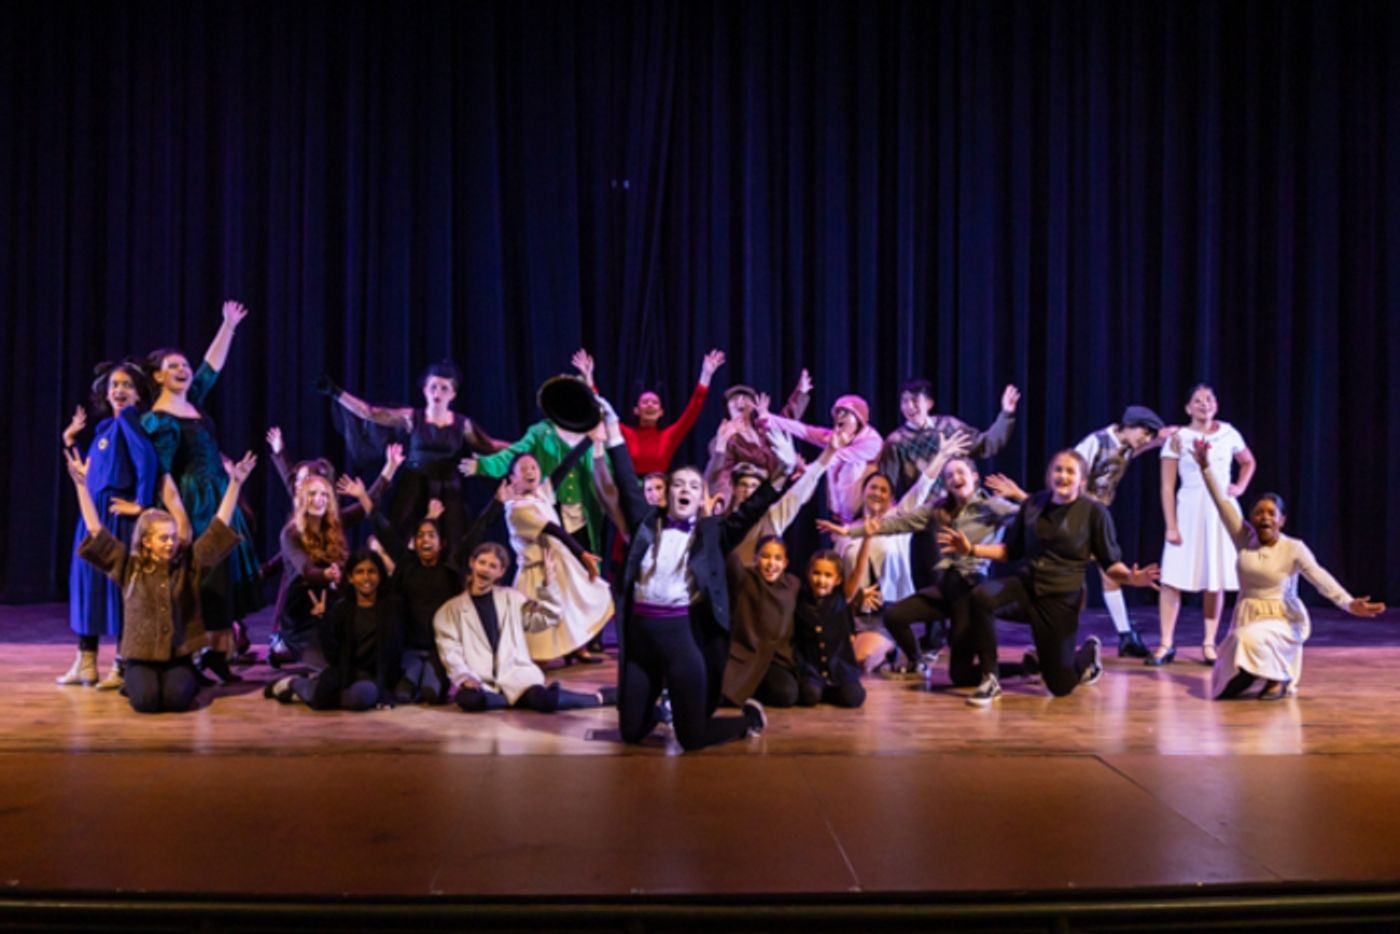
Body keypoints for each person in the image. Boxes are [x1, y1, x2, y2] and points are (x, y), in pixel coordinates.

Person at [604, 396, 791, 751]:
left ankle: (746, 720)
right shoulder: (646, 523)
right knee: (631, 732)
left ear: (702, 496)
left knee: (691, 739)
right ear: (666, 494)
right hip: (641, 640)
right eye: (678, 484)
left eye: (693, 486)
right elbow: (627, 480)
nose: (685, 490)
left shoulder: (712, 533)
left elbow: (751, 509)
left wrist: (782, 473)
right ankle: (662, 709)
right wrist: (612, 427)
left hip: (680, 639)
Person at [939, 451, 1160, 706]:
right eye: (1058, 470)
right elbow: (1011, 551)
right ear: (1049, 475)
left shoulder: (1093, 513)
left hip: (1060, 599)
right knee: (981, 596)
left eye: (1070, 471)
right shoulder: (1033, 504)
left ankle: (1087, 655)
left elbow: (1109, 564)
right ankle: (990, 678)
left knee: (1059, 685)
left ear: (1082, 480)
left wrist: (1131, 577)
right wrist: (971, 550)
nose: (1063, 476)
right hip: (1026, 588)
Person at [1185, 439, 1386, 699]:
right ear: (1252, 518)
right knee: (1226, 670)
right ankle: (1255, 674)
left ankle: (1279, 676)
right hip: (1248, 613)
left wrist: (1348, 603)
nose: (1265, 517)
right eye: (1259, 513)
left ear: (1282, 520)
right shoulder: (1244, 539)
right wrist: (1205, 467)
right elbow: (1222, 503)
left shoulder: (1293, 548)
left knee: (1246, 638)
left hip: (1282, 618)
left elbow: (1319, 577)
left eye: (1272, 513)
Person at [67, 447, 256, 714]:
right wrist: (81, 487)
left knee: (176, 701)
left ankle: (182, 678)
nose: (171, 543)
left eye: (173, 537)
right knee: (146, 703)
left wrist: (235, 484)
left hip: (177, 656)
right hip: (141, 657)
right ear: (146, 541)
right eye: (163, 538)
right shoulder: (130, 567)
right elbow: (96, 531)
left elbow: (219, 528)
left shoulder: (188, 564)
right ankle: (132, 681)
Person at [141, 300, 262, 684]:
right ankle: (192, 653)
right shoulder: (158, 419)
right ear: (158, 376)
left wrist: (228, 326)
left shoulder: (192, 402)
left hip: (218, 496)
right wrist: (179, 518)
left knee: (222, 574)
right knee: (202, 576)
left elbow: (211, 368)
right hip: (192, 501)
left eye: (184, 365)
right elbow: (163, 475)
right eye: (173, 366)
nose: (183, 369)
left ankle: (218, 654)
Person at [847, 453, 1018, 683]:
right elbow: (900, 522)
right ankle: (917, 663)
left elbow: (1032, 516)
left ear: (974, 476)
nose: (955, 478)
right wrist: (850, 531)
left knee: (960, 675)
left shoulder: (991, 506)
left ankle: (1025, 667)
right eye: (949, 476)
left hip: (969, 590)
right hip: (947, 587)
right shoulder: (939, 509)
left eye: (960, 472)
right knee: (895, 616)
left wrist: (1019, 495)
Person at [814, 435, 970, 673]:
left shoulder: (897, 521)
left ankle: (891, 649)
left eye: (884, 490)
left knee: (860, 661)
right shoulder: (845, 533)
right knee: (826, 657)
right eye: (873, 488)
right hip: (853, 614)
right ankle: (881, 653)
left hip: (885, 614)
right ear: (863, 492)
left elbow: (922, 486)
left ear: (891, 498)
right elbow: (839, 583)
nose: (878, 493)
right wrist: (856, 598)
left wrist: (942, 456)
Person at [321, 360, 507, 548]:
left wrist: (522, 446)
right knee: (402, 538)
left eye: (444, 388)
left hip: (448, 490)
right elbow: (371, 413)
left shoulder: (462, 424)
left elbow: (490, 445)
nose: (437, 393)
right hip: (413, 487)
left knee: (450, 541)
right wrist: (336, 393)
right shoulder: (411, 417)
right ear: (425, 390)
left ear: (453, 394)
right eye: (433, 387)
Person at [60, 361, 160, 691]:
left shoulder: (130, 420)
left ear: (138, 394)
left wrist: (142, 503)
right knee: (87, 584)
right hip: (93, 513)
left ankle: (121, 664)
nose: (119, 390)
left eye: (127, 385)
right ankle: (86, 662)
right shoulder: (105, 427)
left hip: (116, 516)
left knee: (118, 592)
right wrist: (70, 440)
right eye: (115, 385)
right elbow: (89, 471)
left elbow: (147, 460)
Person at [433, 543, 618, 714]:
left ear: (501, 572)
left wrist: (549, 585)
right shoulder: (449, 611)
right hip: (482, 682)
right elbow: (450, 651)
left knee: (547, 701)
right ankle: (513, 700)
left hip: (517, 676)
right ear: (472, 563)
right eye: (482, 563)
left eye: (492, 566)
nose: (485, 569)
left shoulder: (512, 599)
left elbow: (547, 618)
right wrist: (464, 676)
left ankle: (599, 697)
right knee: (468, 699)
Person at [1152, 385, 1256, 666]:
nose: (1204, 404)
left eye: (1209, 399)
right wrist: (1171, 525)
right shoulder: (1178, 438)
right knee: (1172, 579)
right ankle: (1165, 643)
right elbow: (1167, 486)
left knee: (1215, 577)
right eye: (1197, 401)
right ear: (1188, 408)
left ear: (1216, 405)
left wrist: (1239, 487)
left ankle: (1209, 642)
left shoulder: (1229, 433)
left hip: (1221, 511)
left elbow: (1248, 461)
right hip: (1188, 510)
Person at [1070, 405, 1173, 657]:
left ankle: (1126, 636)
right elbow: (1071, 471)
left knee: (1111, 573)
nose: (1145, 439)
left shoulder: (1126, 446)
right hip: (1078, 516)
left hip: (1099, 517)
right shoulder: (1096, 442)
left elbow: (1134, 451)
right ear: (1130, 426)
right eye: (1145, 433)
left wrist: (1160, 439)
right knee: (1075, 581)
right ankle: (1064, 638)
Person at [499, 452, 613, 663]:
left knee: (573, 606)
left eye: (534, 467)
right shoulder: (516, 509)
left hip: (557, 563)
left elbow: (562, 470)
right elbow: (553, 529)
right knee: (539, 639)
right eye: (523, 469)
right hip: (536, 572)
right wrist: (581, 553)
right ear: (513, 478)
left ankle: (576, 649)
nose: (530, 471)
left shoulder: (540, 495)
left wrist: (588, 440)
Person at [264, 549, 405, 711]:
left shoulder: (392, 607)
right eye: (359, 572)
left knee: (361, 697)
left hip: (374, 676)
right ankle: (295, 684)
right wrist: (323, 622)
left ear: (380, 576)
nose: (366, 577)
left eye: (371, 571)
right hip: (346, 672)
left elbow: (394, 651)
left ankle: (302, 693)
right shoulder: (341, 609)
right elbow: (332, 655)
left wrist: (385, 690)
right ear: (350, 578)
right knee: (326, 694)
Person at [572, 348, 726, 475]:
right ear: (636, 410)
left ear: (661, 412)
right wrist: (588, 378)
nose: (650, 405)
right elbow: (602, 411)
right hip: (629, 491)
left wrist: (706, 375)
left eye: (655, 402)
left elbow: (692, 412)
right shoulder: (625, 433)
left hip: (659, 493)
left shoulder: (668, 436)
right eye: (645, 402)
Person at [878, 378, 1020, 496]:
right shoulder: (896, 442)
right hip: (929, 514)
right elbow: (887, 484)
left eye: (915, 400)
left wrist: (1006, 414)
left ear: (929, 403)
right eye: (904, 401)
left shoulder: (950, 426)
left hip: (967, 506)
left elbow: (986, 444)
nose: (910, 406)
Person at [761, 394, 885, 525]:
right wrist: (769, 419)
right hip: (842, 519)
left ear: (859, 419)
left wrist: (808, 470)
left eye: (845, 412)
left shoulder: (872, 442)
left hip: (867, 518)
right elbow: (804, 431)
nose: (839, 416)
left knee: (851, 465)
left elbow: (835, 457)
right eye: (837, 412)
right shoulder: (838, 437)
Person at [704, 373, 811, 506]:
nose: (739, 402)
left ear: (753, 406)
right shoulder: (726, 439)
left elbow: (787, 420)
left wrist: (801, 392)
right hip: (746, 502)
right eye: (734, 399)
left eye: (745, 398)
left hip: (775, 497)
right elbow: (722, 475)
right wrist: (721, 502)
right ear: (727, 408)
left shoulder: (764, 429)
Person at [721, 536, 803, 707]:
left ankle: (753, 691)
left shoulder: (792, 585)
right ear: (755, 558)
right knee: (724, 695)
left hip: (775, 659)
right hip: (745, 656)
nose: (771, 563)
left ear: (785, 563)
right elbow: (731, 558)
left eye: (778, 558)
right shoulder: (745, 578)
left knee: (787, 694)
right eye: (765, 556)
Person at [792, 550, 869, 708]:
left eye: (828, 575)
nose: (821, 580)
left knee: (854, 698)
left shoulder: (841, 600)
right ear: (808, 573)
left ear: (838, 580)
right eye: (816, 573)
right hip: (811, 669)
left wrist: (867, 539)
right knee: (809, 695)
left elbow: (858, 571)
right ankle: (820, 690)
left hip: (839, 668)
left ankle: (828, 690)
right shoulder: (800, 601)